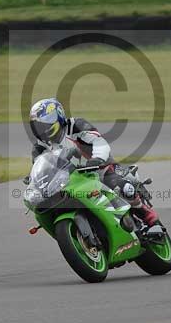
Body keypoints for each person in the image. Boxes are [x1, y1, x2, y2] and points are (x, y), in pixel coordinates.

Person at [28, 97, 160, 227]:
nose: (42, 130)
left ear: (58, 117)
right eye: (38, 127)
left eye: (44, 125)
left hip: (99, 169)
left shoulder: (76, 126)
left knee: (123, 188)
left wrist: (96, 159)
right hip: (70, 180)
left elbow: (99, 142)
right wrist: (34, 181)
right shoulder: (40, 147)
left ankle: (146, 214)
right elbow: (40, 168)